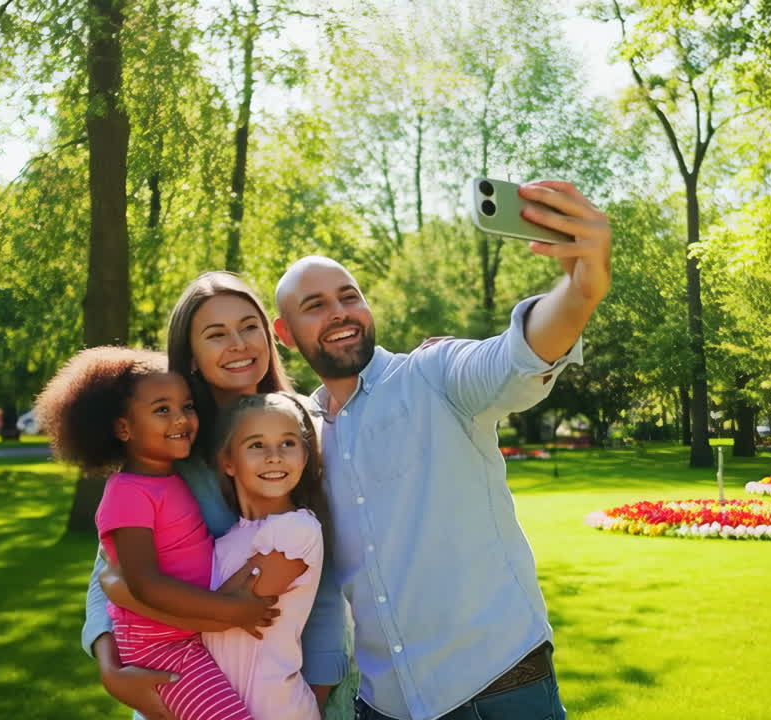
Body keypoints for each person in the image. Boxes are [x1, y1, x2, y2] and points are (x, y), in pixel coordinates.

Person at [271, 180, 612, 720]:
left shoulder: (434, 375)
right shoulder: (299, 441)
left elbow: (515, 358)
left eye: (349, 296)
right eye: (315, 306)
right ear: (286, 334)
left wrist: (579, 293)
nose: (339, 312)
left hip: (500, 689)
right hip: (384, 705)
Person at [81, 273, 352, 720]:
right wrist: (111, 668)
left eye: (249, 327)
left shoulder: (308, 430)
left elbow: (327, 577)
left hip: (289, 690)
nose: (239, 344)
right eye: (216, 334)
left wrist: (316, 693)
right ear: (190, 356)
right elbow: (108, 571)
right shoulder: (168, 448)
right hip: (183, 688)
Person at [36, 347, 270, 720]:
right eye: (162, 409)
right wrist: (230, 611)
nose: (181, 419)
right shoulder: (128, 493)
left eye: (187, 406)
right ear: (123, 428)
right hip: (162, 650)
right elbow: (143, 582)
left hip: (185, 638)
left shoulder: (168, 478)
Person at [196, 392, 332, 720]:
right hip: (214, 707)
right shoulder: (223, 541)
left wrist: (138, 596)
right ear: (228, 461)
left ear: (304, 455)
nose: (274, 456)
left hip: (276, 709)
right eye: (256, 445)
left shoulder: (297, 530)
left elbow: (217, 616)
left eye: (288, 443)